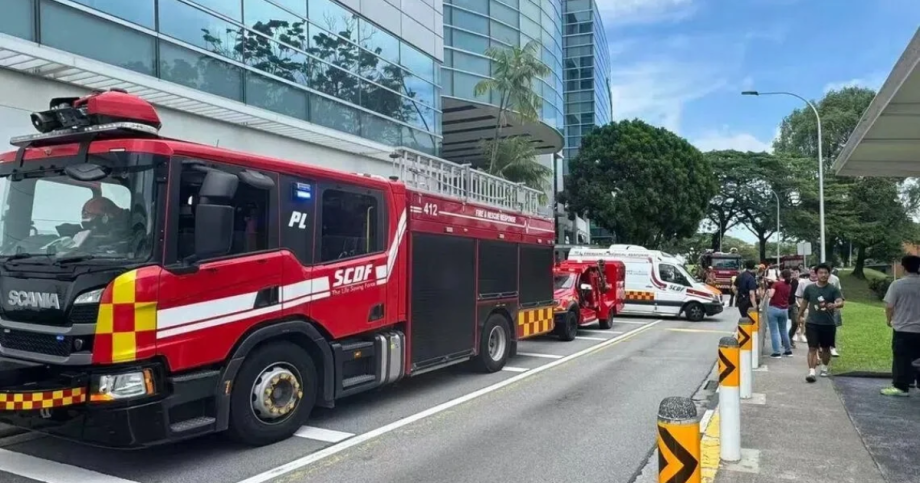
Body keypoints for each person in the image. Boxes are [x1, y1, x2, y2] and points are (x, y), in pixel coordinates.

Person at [880, 255, 920, 396]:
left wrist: (889, 320)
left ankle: (901, 386)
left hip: (903, 328)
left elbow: (890, 306)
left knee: (901, 357)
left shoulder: (897, 285)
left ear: (903, 267)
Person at [799, 263, 844, 383]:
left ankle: (824, 367)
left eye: (826, 273)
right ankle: (811, 371)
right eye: (821, 273)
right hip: (812, 323)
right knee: (812, 348)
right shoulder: (810, 288)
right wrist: (799, 316)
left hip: (828, 324)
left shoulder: (833, 289)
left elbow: (840, 302)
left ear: (829, 274)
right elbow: (804, 303)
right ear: (816, 274)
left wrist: (834, 304)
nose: (823, 275)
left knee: (826, 348)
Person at [766, 269, 794, 358]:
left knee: (774, 331)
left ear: (780, 275)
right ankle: (788, 350)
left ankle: (777, 352)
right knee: (784, 330)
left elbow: (771, 295)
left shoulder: (776, 284)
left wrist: (768, 292)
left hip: (774, 308)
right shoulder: (789, 285)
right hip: (784, 309)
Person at [787, 268, 801, 349]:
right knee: (785, 324)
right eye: (791, 273)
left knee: (795, 322)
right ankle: (786, 340)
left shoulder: (796, 282)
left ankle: (789, 337)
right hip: (784, 305)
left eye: (794, 273)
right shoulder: (783, 282)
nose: (792, 274)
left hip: (793, 304)